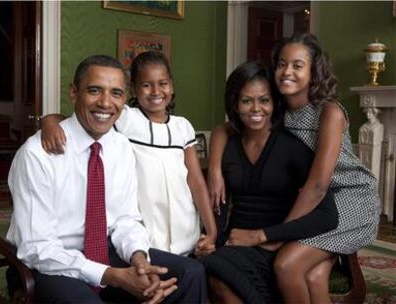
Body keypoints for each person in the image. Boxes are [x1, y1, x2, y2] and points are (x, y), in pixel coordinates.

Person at [6, 54, 207, 304]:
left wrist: (139, 259)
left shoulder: (120, 146)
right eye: (94, 90)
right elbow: (38, 248)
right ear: (73, 92)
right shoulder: (37, 154)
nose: (105, 103)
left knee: (191, 273)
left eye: (116, 93)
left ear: (125, 98)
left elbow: (126, 219)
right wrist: (115, 277)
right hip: (49, 264)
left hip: (105, 250)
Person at [208, 33, 380, 303]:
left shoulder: (329, 112)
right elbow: (224, 128)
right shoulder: (277, 109)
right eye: (281, 64)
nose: (287, 72)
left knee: (286, 264)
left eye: (297, 66)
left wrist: (277, 235)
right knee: (314, 277)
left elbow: (318, 185)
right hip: (318, 202)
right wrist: (216, 169)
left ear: (314, 72)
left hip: (349, 199)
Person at [41, 50, 217, 257]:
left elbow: (196, 181)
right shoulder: (125, 118)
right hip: (144, 225)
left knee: (188, 273)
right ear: (132, 89)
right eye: (146, 85)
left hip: (184, 223)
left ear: (172, 85)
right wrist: (48, 121)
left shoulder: (183, 127)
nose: (155, 91)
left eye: (163, 83)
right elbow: (78, 120)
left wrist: (211, 230)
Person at [200, 60, 339, 304]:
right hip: (237, 242)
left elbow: (327, 215)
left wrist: (264, 235)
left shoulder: (292, 147)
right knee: (211, 273)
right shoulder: (228, 146)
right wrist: (210, 238)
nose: (256, 109)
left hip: (276, 244)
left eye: (264, 100)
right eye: (246, 101)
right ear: (234, 104)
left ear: (274, 103)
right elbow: (219, 204)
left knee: (219, 273)